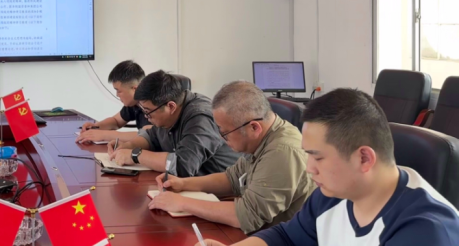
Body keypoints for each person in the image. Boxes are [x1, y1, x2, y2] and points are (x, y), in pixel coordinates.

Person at [193, 89, 459, 246]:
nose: (309, 169)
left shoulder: (426, 230)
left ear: (364, 158)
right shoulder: (337, 193)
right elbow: (291, 241)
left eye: (317, 157)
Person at [149, 81, 314, 232]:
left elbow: (246, 216)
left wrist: (182, 203)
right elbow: (233, 179)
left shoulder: (282, 152)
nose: (222, 139)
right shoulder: (261, 138)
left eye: (225, 132)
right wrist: (183, 184)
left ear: (254, 127)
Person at [108, 70, 240, 176]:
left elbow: (183, 165)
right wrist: (129, 146)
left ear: (171, 107)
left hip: (220, 193)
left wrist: (136, 155)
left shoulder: (201, 118)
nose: (147, 118)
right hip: (189, 185)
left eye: (148, 112)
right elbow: (152, 136)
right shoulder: (169, 112)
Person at [77, 60, 149, 144]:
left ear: (135, 89)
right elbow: (116, 121)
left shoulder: (153, 105)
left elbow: (149, 135)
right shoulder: (134, 103)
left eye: (119, 91)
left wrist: (105, 135)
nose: (117, 95)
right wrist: (96, 127)